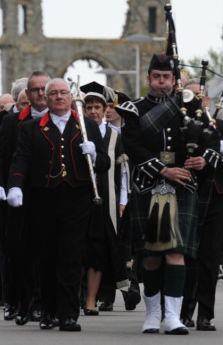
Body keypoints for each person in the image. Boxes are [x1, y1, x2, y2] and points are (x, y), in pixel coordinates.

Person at [117, 54, 220, 335]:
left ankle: (172, 317)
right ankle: (152, 315)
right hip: (149, 186)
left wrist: (205, 159)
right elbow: (134, 147)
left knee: (177, 253)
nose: (161, 82)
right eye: (156, 77)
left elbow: (213, 138)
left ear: (174, 80)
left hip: (182, 187)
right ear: (148, 78)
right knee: (150, 256)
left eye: (166, 78)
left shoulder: (190, 106)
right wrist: (164, 171)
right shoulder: (133, 109)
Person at [5, 78, 110, 332]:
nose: (59, 97)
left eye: (64, 92)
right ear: (46, 98)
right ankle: (49, 311)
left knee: (71, 257)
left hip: (77, 199)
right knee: (47, 257)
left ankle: (68, 314)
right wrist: (15, 185)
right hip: (44, 199)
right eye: (53, 93)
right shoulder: (31, 128)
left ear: (71, 97)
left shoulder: (86, 125)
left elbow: (105, 164)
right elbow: (21, 160)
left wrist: (94, 153)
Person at [0, 72, 49, 324]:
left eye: (45, 89)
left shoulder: (59, 121)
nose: (40, 95)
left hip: (45, 196)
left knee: (44, 254)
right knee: (18, 254)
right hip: (16, 198)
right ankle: (18, 301)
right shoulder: (12, 124)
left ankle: (40, 303)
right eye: (32, 93)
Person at [180, 78, 223, 331]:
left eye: (199, 96)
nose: (196, 100)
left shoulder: (221, 126)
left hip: (214, 197)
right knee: (186, 259)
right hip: (188, 195)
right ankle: (184, 312)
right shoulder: (180, 125)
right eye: (190, 96)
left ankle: (206, 314)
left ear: (206, 99)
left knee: (209, 259)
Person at [77, 83, 131, 316]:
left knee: (108, 247)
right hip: (83, 196)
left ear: (104, 109)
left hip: (108, 196)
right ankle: (83, 295)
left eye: (97, 107)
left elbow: (124, 171)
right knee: (84, 248)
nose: (92, 111)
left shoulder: (114, 136)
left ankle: (106, 295)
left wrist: (122, 200)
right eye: (88, 107)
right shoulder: (78, 132)